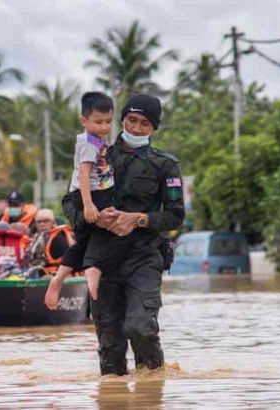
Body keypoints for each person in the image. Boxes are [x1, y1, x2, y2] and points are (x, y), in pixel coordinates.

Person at [57, 93, 185, 376]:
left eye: (145, 124)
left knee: (140, 327)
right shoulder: (97, 153)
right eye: (132, 121)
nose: (137, 128)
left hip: (144, 257)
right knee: (110, 346)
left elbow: (176, 215)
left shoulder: (165, 165)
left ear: (154, 128)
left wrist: (138, 219)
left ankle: (151, 390)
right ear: (122, 120)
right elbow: (70, 201)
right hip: (103, 260)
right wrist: (94, 218)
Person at [46, 91, 115, 302]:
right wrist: (88, 205)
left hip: (99, 193)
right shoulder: (88, 143)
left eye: (108, 122)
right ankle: (92, 270)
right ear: (84, 121)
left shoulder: (99, 140)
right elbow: (84, 174)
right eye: (98, 122)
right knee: (103, 235)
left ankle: (58, 278)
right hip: (89, 196)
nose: (104, 127)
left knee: (83, 243)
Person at [25, 209, 73, 278]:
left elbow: (69, 261)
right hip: (39, 277)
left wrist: (56, 276)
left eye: (46, 221)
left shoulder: (58, 238)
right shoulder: (34, 239)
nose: (42, 224)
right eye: (39, 222)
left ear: (53, 222)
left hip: (59, 278)